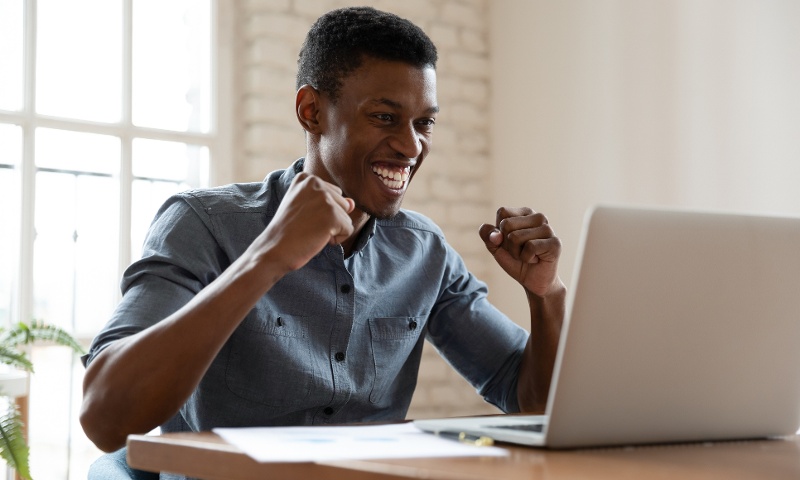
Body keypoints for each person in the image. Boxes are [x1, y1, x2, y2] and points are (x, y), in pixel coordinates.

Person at [80, 5, 566, 477]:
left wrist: (546, 296)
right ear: (311, 111)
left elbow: (534, 401)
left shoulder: (424, 252)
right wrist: (267, 258)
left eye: (425, 123)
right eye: (384, 117)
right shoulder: (204, 225)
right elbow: (105, 418)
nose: (412, 146)